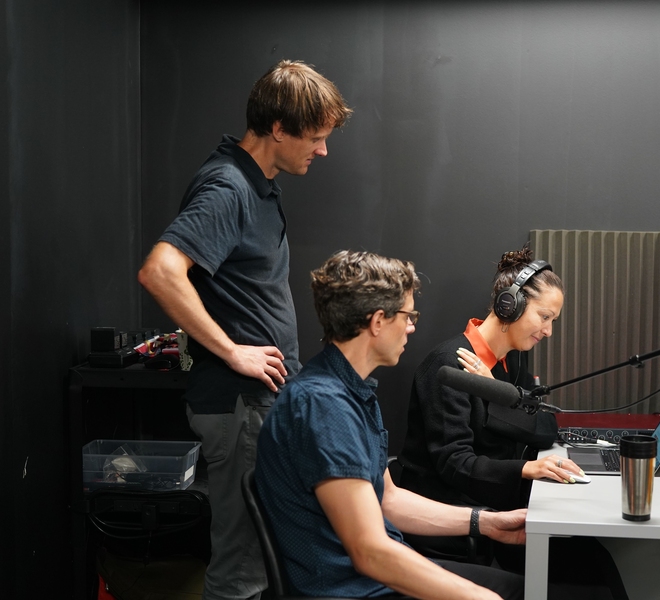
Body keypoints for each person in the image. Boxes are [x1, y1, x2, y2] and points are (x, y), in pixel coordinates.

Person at [137, 60, 352, 600]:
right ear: (278, 128)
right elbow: (160, 271)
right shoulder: (228, 186)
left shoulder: (258, 186)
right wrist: (233, 350)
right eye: (316, 137)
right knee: (242, 568)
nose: (323, 150)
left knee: (263, 560)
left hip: (259, 405)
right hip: (239, 406)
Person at [255, 250, 526, 600]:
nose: (412, 326)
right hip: (350, 590)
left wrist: (486, 523)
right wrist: (477, 596)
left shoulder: (351, 390)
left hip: (372, 577)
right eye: (408, 315)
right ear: (378, 321)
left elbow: (389, 501)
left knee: (522, 588)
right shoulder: (323, 407)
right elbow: (370, 553)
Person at [397, 245, 629, 599]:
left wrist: (495, 391)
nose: (548, 331)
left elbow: (545, 429)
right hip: (462, 525)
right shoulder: (447, 366)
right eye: (544, 317)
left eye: (553, 321)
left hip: (502, 507)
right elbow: (455, 464)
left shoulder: (512, 360)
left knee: (598, 561)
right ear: (511, 305)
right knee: (588, 585)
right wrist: (525, 469)